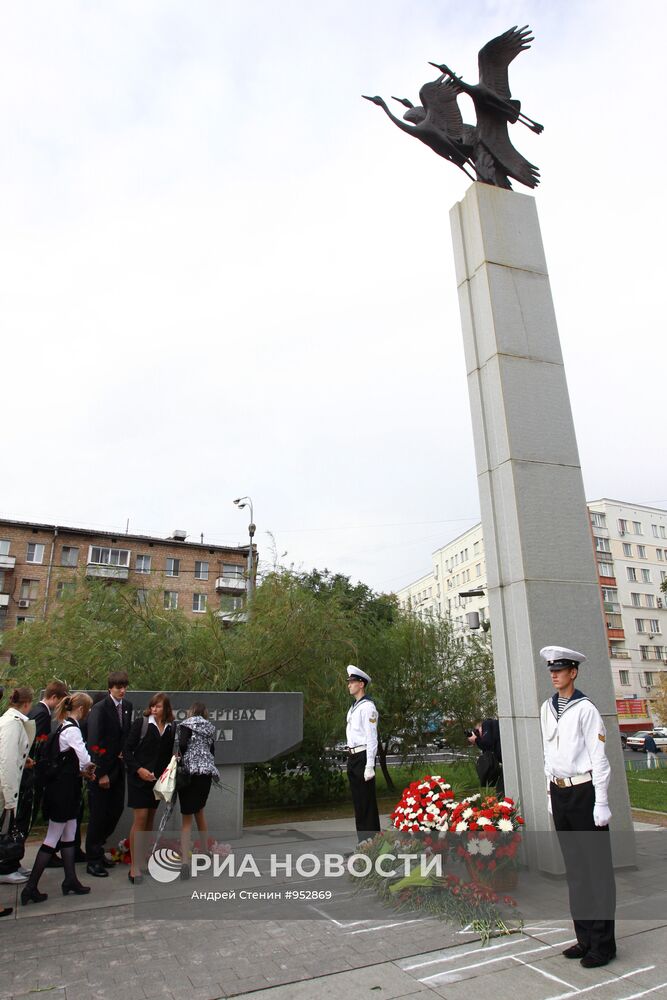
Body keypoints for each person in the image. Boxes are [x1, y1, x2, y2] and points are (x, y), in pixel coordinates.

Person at [539, 644, 616, 968]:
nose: (555, 675)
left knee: (596, 871)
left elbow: (599, 761)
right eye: (552, 671)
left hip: (585, 794)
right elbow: (548, 753)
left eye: (560, 670)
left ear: (573, 672)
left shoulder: (586, 709)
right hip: (560, 793)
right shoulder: (547, 707)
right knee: (576, 871)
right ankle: (584, 938)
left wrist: (602, 802)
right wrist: (548, 794)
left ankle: (603, 944)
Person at [20, 692, 96, 905]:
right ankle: (31, 886)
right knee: (53, 836)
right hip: (64, 790)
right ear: (81, 710)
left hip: (62, 788)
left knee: (69, 832)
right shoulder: (72, 730)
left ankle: (70, 879)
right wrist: (89, 770)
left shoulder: (61, 726)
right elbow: (85, 759)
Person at [124, 692, 176, 884]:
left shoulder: (171, 727)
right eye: (153, 706)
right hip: (138, 778)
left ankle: (143, 859)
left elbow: (167, 754)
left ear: (166, 709)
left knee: (150, 820)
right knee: (141, 818)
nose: (154, 709)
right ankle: (133, 867)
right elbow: (127, 751)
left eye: (158, 706)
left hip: (156, 781)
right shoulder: (142, 723)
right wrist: (139, 770)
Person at [85, 671, 133, 877]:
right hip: (102, 771)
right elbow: (94, 742)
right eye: (117, 687)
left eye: (124, 686)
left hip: (119, 769)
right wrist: (100, 773)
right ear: (110, 688)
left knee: (115, 811)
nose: (121, 690)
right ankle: (93, 859)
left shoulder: (127, 707)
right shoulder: (100, 708)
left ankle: (99, 847)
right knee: (98, 816)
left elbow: (126, 734)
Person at [22, 681, 70, 869]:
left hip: (33, 773)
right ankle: (10, 861)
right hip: (35, 774)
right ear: (54, 698)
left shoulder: (37, 711)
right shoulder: (42, 714)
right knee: (26, 818)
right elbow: (37, 745)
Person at [177, 701, 219, 877]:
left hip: (189, 775)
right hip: (205, 775)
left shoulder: (186, 725)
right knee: (200, 811)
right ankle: (204, 851)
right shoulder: (210, 728)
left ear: (192, 712)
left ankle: (185, 861)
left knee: (187, 820)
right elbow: (212, 751)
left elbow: (183, 745)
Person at [0, 687, 35, 891]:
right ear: (26, 703)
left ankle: (9, 865)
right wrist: (11, 798)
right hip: (6, 789)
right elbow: (7, 761)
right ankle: (5, 867)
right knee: (6, 831)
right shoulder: (12, 724)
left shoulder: (11, 721)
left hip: (8, 785)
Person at [345, 665, 381, 844]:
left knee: (367, 804)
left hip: (363, 756)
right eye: (349, 682)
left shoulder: (368, 707)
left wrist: (369, 765)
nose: (349, 685)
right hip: (353, 757)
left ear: (361, 684)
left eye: (352, 682)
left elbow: (371, 737)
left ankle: (373, 843)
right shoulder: (353, 707)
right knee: (359, 804)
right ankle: (363, 844)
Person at [467, 718, 504, 796]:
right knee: (501, 791)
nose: (480, 735)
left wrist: (476, 740)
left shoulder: (487, 724)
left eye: (477, 731)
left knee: (501, 792)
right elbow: (487, 749)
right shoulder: (495, 733)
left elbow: (487, 743)